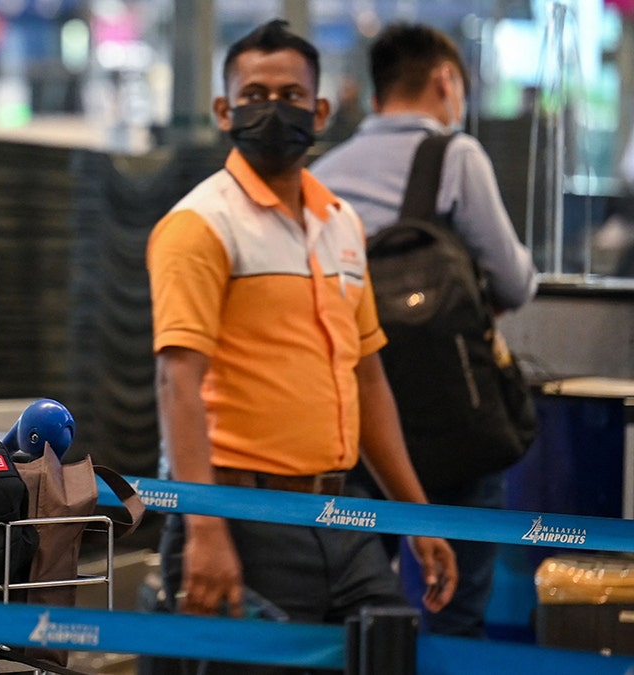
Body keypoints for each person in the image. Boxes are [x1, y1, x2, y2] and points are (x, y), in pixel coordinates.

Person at [144, 20, 458, 673]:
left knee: (391, 657)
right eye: (254, 93)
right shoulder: (201, 224)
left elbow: (368, 379)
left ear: (319, 110)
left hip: (343, 514)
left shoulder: (340, 224)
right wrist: (205, 527)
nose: (272, 107)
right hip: (242, 515)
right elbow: (178, 381)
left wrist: (419, 515)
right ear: (224, 110)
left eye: (290, 94)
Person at [310, 23, 538, 638]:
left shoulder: (321, 176)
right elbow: (515, 283)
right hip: (453, 423)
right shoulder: (455, 155)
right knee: (454, 609)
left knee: (357, 609)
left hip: (354, 424)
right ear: (445, 80)